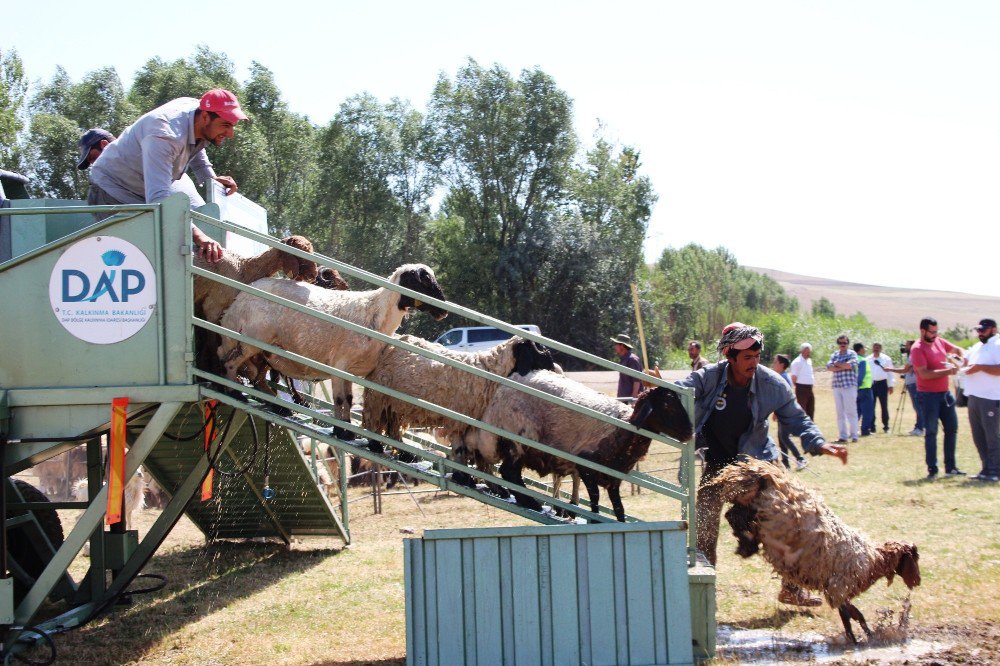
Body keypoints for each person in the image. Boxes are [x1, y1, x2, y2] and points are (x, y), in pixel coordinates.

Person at [674, 323, 847, 607]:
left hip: (757, 463)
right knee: (704, 526)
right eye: (746, 358)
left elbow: (797, 417)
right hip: (717, 463)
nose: (753, 362)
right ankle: (704, 596)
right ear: (730, 356)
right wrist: (659, 386)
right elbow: (679, 391)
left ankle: (792, 588)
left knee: (791, 519)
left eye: (757, 356)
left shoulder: (772, 383)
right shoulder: (709, 377)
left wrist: (819, 443)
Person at [88, 89, 249, 264]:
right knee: (141, 261)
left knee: (177, 242)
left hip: (141, 191)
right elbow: (160, 201)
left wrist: (210, 178)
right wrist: (200, 236)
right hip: (111, 192)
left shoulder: (195, 111)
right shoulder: (164, 136)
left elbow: (197, 142)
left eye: (233, 126)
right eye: (226, 125)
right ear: (205, 117)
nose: (231, 133)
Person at [909, 317, 965, 479]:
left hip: (945, 394)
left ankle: (951, 467)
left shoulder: (939, 341)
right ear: (922, 331)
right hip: (928, 396)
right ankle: (932, 469)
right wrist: (949, 372)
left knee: (951, 429)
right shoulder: (917, 349)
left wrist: (959, 357)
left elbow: (956, 349)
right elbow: (924, 374)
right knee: (931, 432)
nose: (934, 335)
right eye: (931, 332)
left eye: (936, 331)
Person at [961, 318, 1000, 482]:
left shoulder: (997, 345)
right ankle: (986, 468)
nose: (980, 333)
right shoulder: (978, 346)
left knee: (992, 436)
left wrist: (980, 368)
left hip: (991, 397)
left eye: (983, 330)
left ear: (993, 329)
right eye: (978, 330)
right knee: (978, 436)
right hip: (974, 396)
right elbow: (966, 362)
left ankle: (995, 470)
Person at [771, 354, 808, 471]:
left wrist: (776, 412)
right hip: (783, 412)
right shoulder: (782, 376)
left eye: (775, 362)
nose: (773, 364)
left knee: (784, 437)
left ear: (782, 365)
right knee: (782, 437)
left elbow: (784, 398)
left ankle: (800, 459)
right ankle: (786, 463)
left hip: (785, 413)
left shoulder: (783, 378)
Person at [886, 340, 924, 436]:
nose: (905, 348)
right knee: (917, 407)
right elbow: (908, 369)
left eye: (907, 346)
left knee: (918, 407)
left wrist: (890, 369)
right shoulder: (913, 356)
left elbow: (905, 370)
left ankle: (921, 428)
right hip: (912, 383)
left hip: (914, 384)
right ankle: (918, 427)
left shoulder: (913, 356)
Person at [827, 334, 860, 443]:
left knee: (851, 411)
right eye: (840, 343)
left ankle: (854, 435)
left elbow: (851, 365)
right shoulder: (834, 354)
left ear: (847, 343)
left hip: (849, 385)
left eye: (844, 343)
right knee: (840, 412)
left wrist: (838, 364)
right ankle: (843, 436)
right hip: (837, 385)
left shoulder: (852, 353)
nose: (842, 345)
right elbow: (830, 367)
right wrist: (842, 365)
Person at [869, 342, 896, 433]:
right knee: (871, 406)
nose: (876, 349)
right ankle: (872, 427)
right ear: (872, 348)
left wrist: (891, 385)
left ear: (881, 349)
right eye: (874, 347)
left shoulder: (886, 359)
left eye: (878, 348)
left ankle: (886, 426)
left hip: (882, 384)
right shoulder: (868, 359)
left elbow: (890, 373)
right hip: (871, 384)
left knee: (884, 406)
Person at [611, 333, 642, 399]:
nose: (614, 347)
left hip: (629, 399)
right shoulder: (624, 359)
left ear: (622, 345)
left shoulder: (632, 359)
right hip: (624, 398)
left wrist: (633, 399)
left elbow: (637, 380)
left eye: (616, 344)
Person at [853, 342, 875, 437]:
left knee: (857, 411)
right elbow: (861, 376)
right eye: (864, 348)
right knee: (868, 411)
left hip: (855, 389)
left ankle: (853, 429)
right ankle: (865, 430)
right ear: (860, 349)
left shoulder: (853, 359)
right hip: (865, 389)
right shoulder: (863, 360)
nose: (865, 350)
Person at [789, 342, 816, 419]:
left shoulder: (809, 361)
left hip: (809, 388)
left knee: (810, 408)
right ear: (802, 351)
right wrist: (798, 387)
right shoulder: (797, 362)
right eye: (807, 351)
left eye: (809, 351)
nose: (808, 353)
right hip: (801, 388)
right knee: (802, 409)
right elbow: (794, 377)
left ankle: (810, 427)